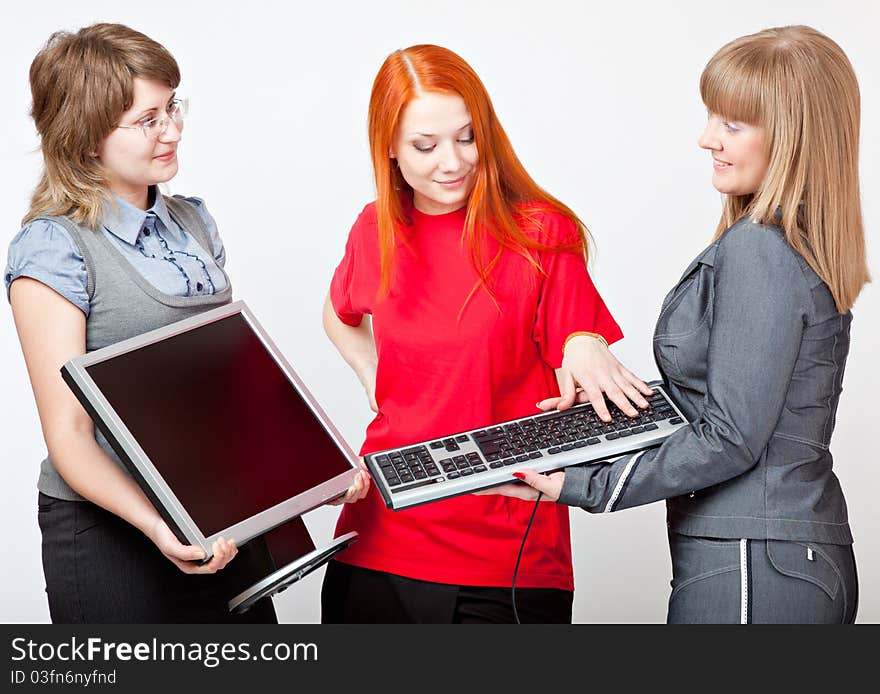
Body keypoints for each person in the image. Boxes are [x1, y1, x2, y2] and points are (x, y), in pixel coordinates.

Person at [488, 25, 869, 623]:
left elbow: (732, 436)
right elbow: (729, 408)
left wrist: (584, 484)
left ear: (793, 140)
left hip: (754, 562)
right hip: (784, 557)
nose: (706, 138)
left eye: (732, 125)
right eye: (712, 117)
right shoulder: (795, 246)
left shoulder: (759, 252)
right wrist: (597, 426)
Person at [320, 44, 653, 623]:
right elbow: (337, 312)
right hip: (380, 538)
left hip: (505, 554)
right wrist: (373, 376)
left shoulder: (540, 231)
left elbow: (578, 333)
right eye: (425, 146)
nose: (451, 162)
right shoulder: (374, 228)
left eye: (467, 137)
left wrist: (585, 340)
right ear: (390, 150)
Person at [5, 23, 276, 623]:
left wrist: (313, 468)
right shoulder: (54, 248)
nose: (172, 130)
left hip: (214, 516)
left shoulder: (195, 223)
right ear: (84, 136)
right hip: (112, 534)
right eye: (147, 120)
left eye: (172, 107)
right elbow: (70, 435)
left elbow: (227, 380)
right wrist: (161, 525)